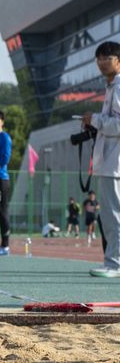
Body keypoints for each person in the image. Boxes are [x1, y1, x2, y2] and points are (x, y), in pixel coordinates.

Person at [83, 40, 120, 277]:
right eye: (99, 58)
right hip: (110, 161)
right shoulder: (111, 88)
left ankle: (114, 263)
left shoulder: (118, 87)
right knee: (111, 214)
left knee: (112, 215)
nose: (102, 62)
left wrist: (95, 120)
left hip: (114, 163)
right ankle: (113, 261)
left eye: (107, 57)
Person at [0, 110, 13, 256]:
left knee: (1, 211)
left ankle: (5, 245)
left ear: (2, 122)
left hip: (1, 179)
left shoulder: (4, 137)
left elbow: (5, 158)